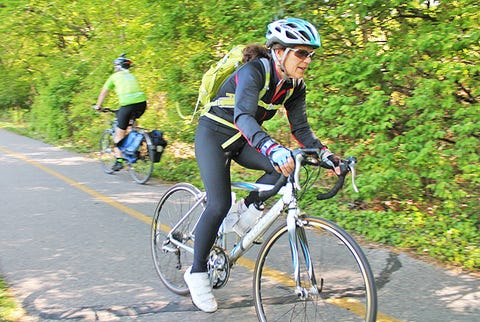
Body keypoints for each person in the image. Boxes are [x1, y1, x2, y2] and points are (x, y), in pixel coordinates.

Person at [184, 18, 341, 313]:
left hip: (243, 141)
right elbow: (243, 116)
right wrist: (271, 147)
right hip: (214, 135)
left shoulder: (295, 86)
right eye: (301, 53)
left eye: (311, 54)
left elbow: (302, 130)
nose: (307, 60)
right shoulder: (254, 71)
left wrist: (327, 156)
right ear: (278, 51)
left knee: (287, 166)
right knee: (217, 205)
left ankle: (246, 211)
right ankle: (196, 273)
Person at [94, 54, 147, 171]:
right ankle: (135, 148)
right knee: (132, 124)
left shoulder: (114, 77)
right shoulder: (131, 76)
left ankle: (119, 161)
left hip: (127, 105)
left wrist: (98, 106)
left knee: (119, 134)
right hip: (142, 104)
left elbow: (103, 92)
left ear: (118, 66)